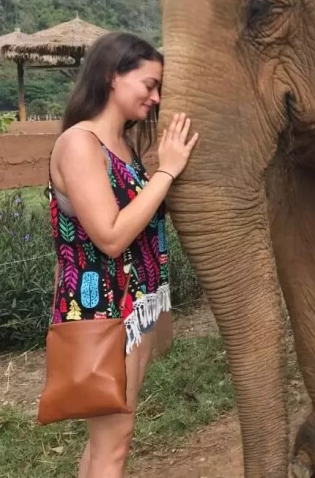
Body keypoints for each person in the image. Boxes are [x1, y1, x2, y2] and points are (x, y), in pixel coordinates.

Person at [46, 31, 198, 477]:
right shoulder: (80, 143)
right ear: (113, 76)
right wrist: (166, 172)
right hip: (106, 315)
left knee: (107, 441)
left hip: (134, 311)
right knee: (115, 442)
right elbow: (110, 236)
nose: (154, 97)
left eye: (159, 89)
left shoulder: (123, 148)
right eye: (148, 85)